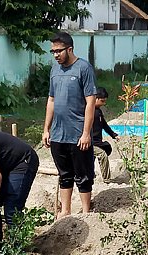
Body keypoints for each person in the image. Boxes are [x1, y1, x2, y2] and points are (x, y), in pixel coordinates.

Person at [42, 31, 97, 217]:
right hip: (58, 134)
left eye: (59, 51)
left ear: (70, 49)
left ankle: (86, 213)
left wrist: (86, 133)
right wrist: (46, 129)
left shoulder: (84, 68)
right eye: (53, 52)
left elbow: (90, 102)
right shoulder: (54, 70)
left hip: (78, 134)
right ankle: (65, 212)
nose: (56, 55)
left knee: (83, 175)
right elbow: (51, 99)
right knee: (64, 175)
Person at [92, 87, 119, 184]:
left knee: (91, 159)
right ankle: (107, 180)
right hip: (89, 142)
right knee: (102, 155)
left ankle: (90, 175)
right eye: (102, 101)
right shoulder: (87, 110)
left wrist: (113, 135)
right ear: (95, 98)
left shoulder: (98, 111)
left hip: (97, 141)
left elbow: (104, 124)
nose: (103, 104)